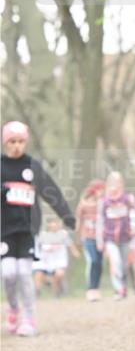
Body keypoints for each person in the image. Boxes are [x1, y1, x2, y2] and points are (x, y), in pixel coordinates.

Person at [1, 120, 76, 335]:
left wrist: (67, 216)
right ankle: (14, 307)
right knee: (8, 274)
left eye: (21, 141)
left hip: (28, 230)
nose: (16, 146)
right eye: (12, 141)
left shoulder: (32, 166)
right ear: (6, 143)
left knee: (25, 273)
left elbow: (51, 191)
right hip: (4, 231)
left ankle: (29, 318)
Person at [96, 172, 135, 300]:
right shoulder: (103, 202)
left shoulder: (128, 199)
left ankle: (123, 286)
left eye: (117, 183)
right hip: (110, 238)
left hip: (125, 237)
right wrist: (100, 240)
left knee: (124, 264)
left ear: (121, 184)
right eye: (112, 183)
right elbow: (100, 221)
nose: (114, 186)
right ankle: (118, 289)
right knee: (115, 262)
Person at [33, 215, 80, 296]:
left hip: (58, 262)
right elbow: (36, 247)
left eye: (56, 222)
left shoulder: (63, 234)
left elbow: (70, 244)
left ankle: (56, 292)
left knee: (59, 274)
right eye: (52, 222)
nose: (54, 225)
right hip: (44, 262)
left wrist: (75, 252)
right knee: (39, 274)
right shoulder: (42, 235)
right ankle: (37, 292)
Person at [76, 179, 105, 300]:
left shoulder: (103, 203)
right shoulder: (84, 204)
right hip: (87, 237)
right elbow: (79, 220)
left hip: (100, 237)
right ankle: (91, 288)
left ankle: (96, 288)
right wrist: (78, 237)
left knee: (99, 263)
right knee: (93, 261)